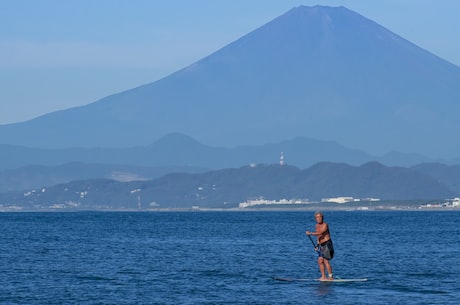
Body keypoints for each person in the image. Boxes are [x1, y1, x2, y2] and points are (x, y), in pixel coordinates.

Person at [306, 211, 334, 281]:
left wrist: (311, 233)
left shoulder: (325, 225)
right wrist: (317, 245)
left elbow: (321, 233)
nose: (319, 218)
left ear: (323, 218)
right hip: (321, 245)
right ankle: (323, 276)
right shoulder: (316, 226)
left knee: (325, 260)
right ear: (315, 218)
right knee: (320, 260)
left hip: (327, 244)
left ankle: (330, 276)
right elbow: (318, 236)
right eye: (317, 217)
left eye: (320, 217)